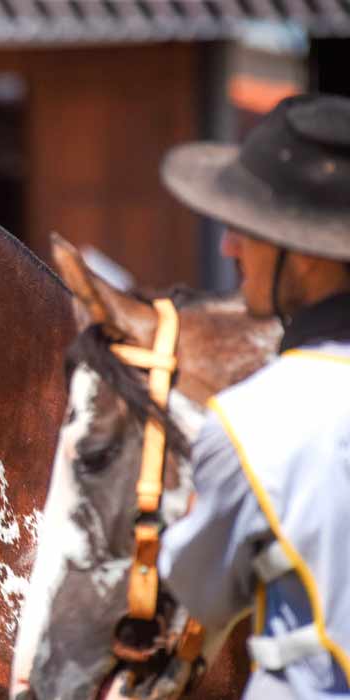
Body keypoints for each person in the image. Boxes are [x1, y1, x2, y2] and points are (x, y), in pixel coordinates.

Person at [158, 94, 350, 699]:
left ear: (313, 254)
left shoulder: (254, 422)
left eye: (251, 228)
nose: (229, 248)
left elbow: (198, 592)